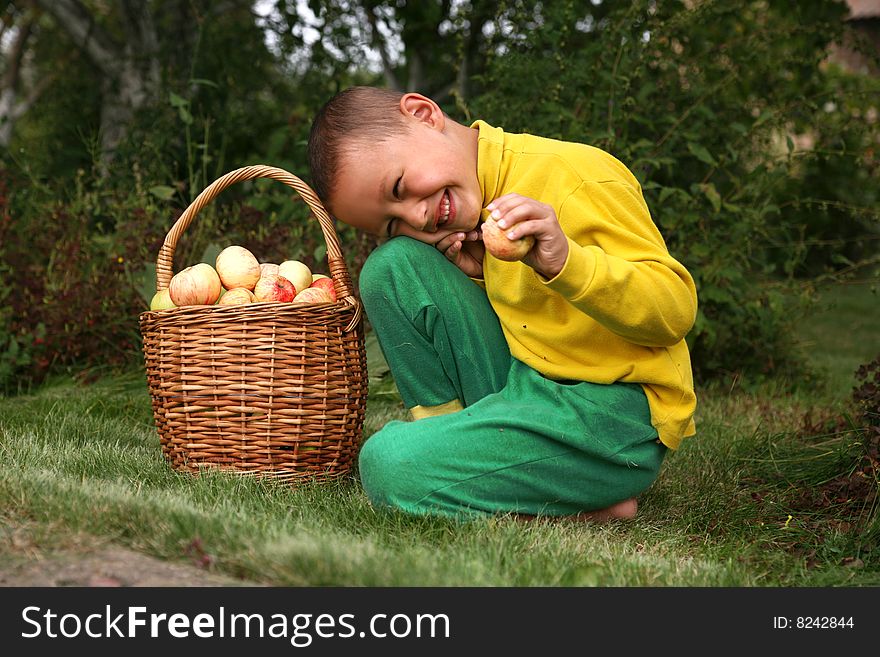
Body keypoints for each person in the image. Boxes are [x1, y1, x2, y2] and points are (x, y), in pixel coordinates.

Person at [307, 86, 697, 521]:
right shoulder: (473, 222)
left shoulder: (575, 174)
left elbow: (675, 310)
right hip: (528, 389)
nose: (415, 218)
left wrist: (567, 261)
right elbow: (534, 329)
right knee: (390, 269)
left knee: (386, 464)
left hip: (610, 413)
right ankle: (464, 459)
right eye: (393, 222)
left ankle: (471, 481)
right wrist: (474, 277)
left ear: (423, 113)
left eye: (399, 187)